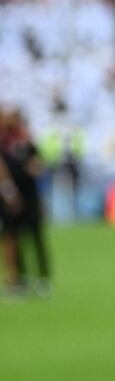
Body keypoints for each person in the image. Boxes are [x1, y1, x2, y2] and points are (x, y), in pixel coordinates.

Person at [0, 109, 51, 296]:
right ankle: (17, 278)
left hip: (29, 197)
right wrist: (9, 193)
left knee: (36, 236)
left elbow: (39, 164)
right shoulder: (4, 143)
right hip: (10, 199)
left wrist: (34, 166)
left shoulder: (26, 142)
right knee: (12, 238)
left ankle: (42, 276)